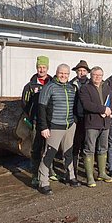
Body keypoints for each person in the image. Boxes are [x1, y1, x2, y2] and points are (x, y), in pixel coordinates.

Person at [37, 64, 78, 195]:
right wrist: (44, 127)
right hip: (54, 126)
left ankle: (70, 176)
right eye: (61, 73)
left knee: (68, 153)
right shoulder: (49, 87)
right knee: (49, 154)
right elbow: (41, 108)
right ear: (56, 73)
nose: (63, 76)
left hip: (69, 125)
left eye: (66, 74)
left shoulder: (72, 88)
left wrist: (75, 121)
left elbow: (75, 106)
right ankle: (43, 182)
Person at [79, 66, 112, 188]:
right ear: (91, 75)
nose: (97, 77)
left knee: (103, 148)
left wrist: (110, 111)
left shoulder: (107, 87)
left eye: (100, 75)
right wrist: (102, 109)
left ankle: (102, 173)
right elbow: (86, 104)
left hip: (105, 123)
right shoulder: (85, 88)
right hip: (92, 123)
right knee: (89, 149)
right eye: (95, 75)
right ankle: (90, 177)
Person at [21, 55, 53, 187]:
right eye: (40, 67)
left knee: (50, 148)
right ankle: (35, 174)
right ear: (37, 68)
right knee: (36, 148)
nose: (42, 69)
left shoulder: (53, 83)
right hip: (36, 122)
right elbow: (24, 103)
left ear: (47, 68)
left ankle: (49, 171)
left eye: (44, 67)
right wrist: (32, 114)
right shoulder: (30, 86)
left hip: (51, 122)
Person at [70, 60, 91, 176]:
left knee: (87, 143)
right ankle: (73, 168)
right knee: (75, 144)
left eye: (84, 70)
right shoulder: (71, 84)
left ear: (87, 72)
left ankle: (87, 168)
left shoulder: (91, 83)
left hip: (88, 118)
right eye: (79, 71)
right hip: (75, 118)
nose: (81, 73)